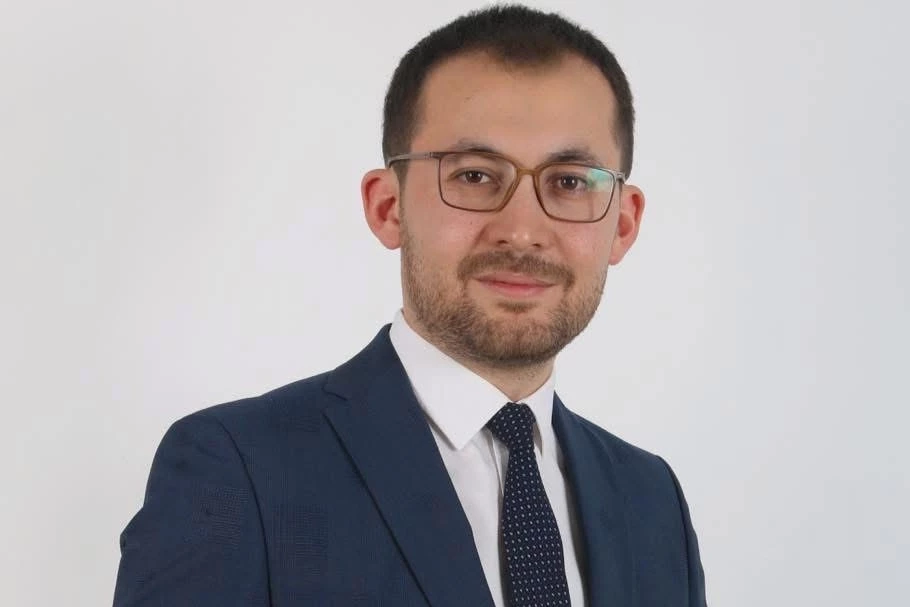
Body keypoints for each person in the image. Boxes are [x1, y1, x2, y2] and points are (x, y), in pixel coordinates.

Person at [113, 5, 707, 606]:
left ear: (623, 224)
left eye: (571, 181)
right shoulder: (239, 471)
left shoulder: (651, 500)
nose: (522, 231)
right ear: (387, 207)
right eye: (474, 176)